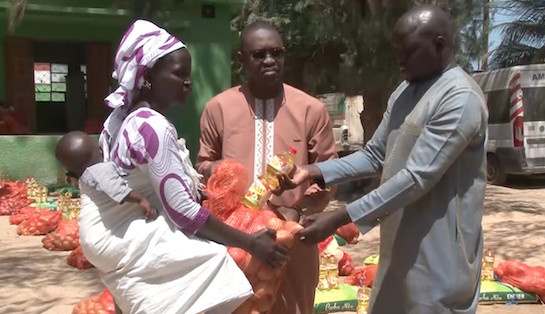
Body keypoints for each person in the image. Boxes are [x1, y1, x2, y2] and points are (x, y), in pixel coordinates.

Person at [277, 5, 488, 313]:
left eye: (409, 51)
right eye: (397, 51)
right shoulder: (405, 91)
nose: (400, 60)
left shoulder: (460, 98)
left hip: (440, 252)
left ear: (440, 45)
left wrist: (339, 218)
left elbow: (417, 178)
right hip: (398, 243)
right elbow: (376, 155)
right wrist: (312, 171)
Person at [77, 19, 288, 314]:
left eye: (189, 74)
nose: (188, 82)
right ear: (148, 77)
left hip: (120, 239)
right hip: (135, 238)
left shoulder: (123, 120)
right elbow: (183, 213)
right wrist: (250, 243)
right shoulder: (153, 127)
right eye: (179, 74)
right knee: (218, 267)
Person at [196, 21, 337, 314]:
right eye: (260, 54)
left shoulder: (311, 110)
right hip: (236, 240)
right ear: (242, 59)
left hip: (292, 239)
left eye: (277, 53)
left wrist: (296, 210)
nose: (270, 60)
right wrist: (217, 169)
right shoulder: (218, 108)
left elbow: (328, 174)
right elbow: (201, 167)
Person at [55, 131, 157, 220]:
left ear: (71, 175)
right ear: (100, 150)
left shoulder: (88, 175)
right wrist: (141, 200)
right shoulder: (99, 170)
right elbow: (117, 189)